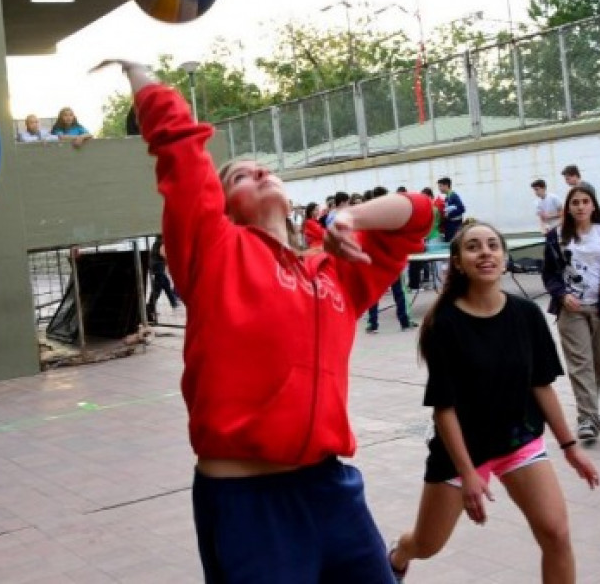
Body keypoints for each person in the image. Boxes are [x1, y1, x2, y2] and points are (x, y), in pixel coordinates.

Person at [102, 57, 433, 583]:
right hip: (246, 502)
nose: (256, 170)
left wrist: (349, 217)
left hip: (333, 492)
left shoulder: (336, 267)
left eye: (264, 167)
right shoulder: (214, 251)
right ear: (223, 208)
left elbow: (418, 214)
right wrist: (142, 77)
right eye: (237, 175)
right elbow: (181, 155)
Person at [388, 222, 599, 582]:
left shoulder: (527, 315)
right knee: (428, 544)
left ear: (503, 258)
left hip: (518, 439)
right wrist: (469, 474)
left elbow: (541, 386)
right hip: (461, 452)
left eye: (492, 245)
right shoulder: (444, 324)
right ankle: (397, 556)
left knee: (556, 534)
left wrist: (569, 447)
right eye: (473, 247)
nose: (485, 252)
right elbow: (444, 407)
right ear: (457, 262)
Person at [541, 186, 600, 443]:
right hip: (572, 310)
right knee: (581, 365)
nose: (580, 206)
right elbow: (549, 275)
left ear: (593, 206)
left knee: (597, 368)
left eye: (585, 202)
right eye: (575, 202)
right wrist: (561, 294)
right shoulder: (556, 237)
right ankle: (586, 420)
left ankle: (592, 411)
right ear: (568, 208)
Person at [366, 187, 418, 334]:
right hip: (389, 259)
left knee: (375, 293)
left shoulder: (369, 214)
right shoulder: (393, 214)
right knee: (399, 292)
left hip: (377, 259)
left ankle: (373, 323)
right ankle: (404, 321)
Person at [145, 236, 180, 323]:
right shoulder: (161, 242)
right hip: (158, 265)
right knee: (157, 287)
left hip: (156, 265)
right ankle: (149, 308)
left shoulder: (156, 243)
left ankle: (173, 303)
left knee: (165, 283)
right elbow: (163, 253)